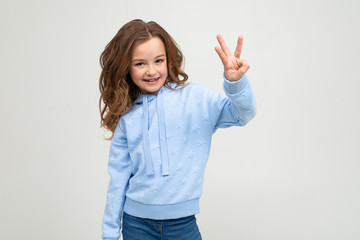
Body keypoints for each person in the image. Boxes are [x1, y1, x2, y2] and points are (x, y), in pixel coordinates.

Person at [99, 19, 256, 240]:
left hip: (183, 224)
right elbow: (118, 180)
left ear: (168, 60)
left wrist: (235, 84)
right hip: (136, 225)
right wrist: (110, 233)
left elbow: (243, 114)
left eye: (158, 60)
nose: (151, 70)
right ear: (125, 66)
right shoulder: (128, 117)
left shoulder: (196, 99)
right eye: (140, 63)